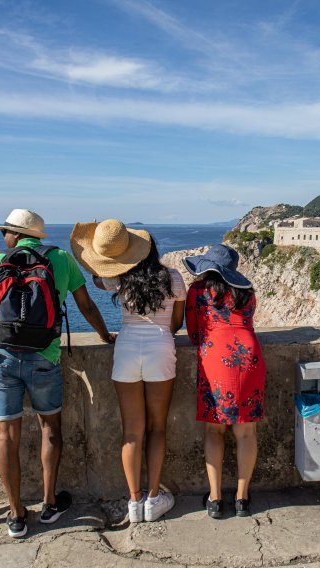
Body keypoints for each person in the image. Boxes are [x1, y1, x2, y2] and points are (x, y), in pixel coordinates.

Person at [0, 209, 114, 538]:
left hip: (1, 356)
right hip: (44, 356)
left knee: (6, 437)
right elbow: (85, 305)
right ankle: (49, 502)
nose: (4, 237)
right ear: (37, 236)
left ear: (15, 235)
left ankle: (15, 515)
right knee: (50, 428)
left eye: (6, 232)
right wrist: (104, 335)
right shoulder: (61, 259)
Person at [71, 219, 185, 523]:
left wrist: (106, 256)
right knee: (157, 428)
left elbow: (96, 274)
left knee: (131, 432)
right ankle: (153, 499)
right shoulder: (173, 278)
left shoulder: (118, 279)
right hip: (161, 349)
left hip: (126, 351)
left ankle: (134, 503)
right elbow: (176, 324)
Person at [183, 244, 265, 518]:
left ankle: (215, 498)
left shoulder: (197, 292)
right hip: (249, 358)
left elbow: (194, 333)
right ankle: (242, 498)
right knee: (246, 432)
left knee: (214, 431)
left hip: (215, 360)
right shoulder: (247, 293)